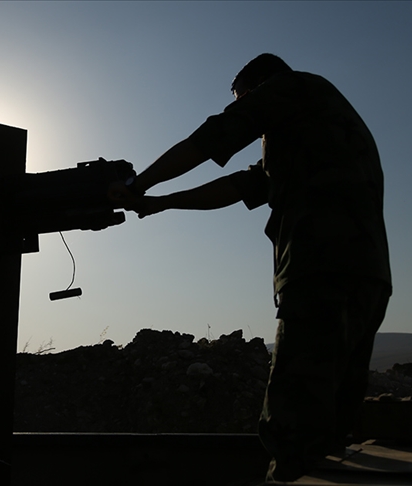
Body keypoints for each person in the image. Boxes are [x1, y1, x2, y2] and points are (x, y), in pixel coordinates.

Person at [108, 53, 392, 482]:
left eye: (244, 99)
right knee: (332, 420)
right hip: (366, 274)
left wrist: (136, 185)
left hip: (319, 269)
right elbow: (239, 186)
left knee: (293, 421)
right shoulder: (314, 124)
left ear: (257, 88)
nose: (248, 113)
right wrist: (162, 203)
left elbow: (212, 138)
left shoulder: (289, 89)